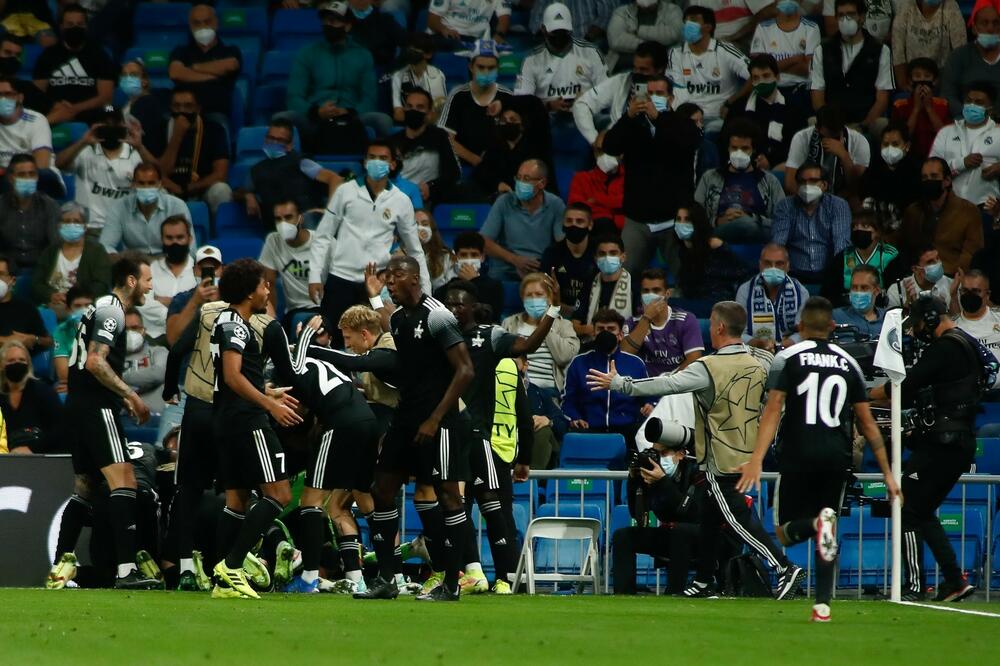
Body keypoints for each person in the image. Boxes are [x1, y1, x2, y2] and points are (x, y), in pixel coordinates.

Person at [588, 301, 805, 598]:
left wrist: (621, 384)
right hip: (749, 454)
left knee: (736, 519)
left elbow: (665, 384)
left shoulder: (708, 367)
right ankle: (704, 579)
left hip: (719, 457)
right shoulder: (763, 361)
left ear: (718, 328)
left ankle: (783, 567)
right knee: (710, 522)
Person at [739, 295, 898, 622]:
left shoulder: (787, 357)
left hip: (798, 452)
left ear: (800, 326)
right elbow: (868, 424)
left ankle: (815, 524)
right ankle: (823, 606)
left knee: (783, 532)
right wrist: (887, 474)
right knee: (830, 526)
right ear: (831, 326)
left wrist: (756, 458)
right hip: (836, 456)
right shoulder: (849, 363)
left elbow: (771, 410)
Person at [353, 255, 474, 601]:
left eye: (396, 276)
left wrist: (435, 419)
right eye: (388, 277)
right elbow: (390, 320)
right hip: (407, 417)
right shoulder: (403, 317)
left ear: (415, 278)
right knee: (382, 489)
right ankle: (388, 581)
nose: (391, 281)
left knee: (449, 494)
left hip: (442, 420)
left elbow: (465, 370)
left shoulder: (438, 315)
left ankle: (451, 583)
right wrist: (375, 297)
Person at [46, 255, 160, 591]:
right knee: (124, 480)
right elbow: (96, 361)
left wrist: (121, 395)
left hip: (80, 407)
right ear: (130, 281)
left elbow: (88, 362)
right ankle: (126, 571)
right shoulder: (112, 310)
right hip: (96, 408)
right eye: (148, 279)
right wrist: (131, 395)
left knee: (84, 487)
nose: (151, 286)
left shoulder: (101, 308)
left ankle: (60, 567)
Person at [869, 295, 993, 602]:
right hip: (958, 439)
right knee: (921, 510)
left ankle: (911, 587)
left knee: (905, 506)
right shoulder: (966, 343)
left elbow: (904, 387)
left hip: (943, 440)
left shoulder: (945, 348)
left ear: (932, 318)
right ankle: (954, 580)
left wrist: (865, 394)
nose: (920, 330)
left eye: (922, 323)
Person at [160, 275, 274, 591]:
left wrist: (171, 388)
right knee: (239, 494)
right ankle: (227, 565)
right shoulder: (261, 322)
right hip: (234, 415)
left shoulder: (209, 312)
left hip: (198, 409)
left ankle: (185, 567)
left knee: (188, 490)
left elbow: (177, 349)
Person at [442, 280, 554, 593]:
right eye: (448, 303)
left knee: (487, 508)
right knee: (463, 507)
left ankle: (500, 577)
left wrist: (554, 310)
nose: (453, 309)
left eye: (459, 303)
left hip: (484, 441)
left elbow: (525, 416)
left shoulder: (490, 341)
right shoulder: (439, 336)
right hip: (457, 437)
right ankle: (482, 575)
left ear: (473, 307)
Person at [208, 258, 301, 599]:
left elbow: (234, 378)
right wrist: (269, 405)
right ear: (249, 291)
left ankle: (221, 579)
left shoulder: (228, 321)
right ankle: (231, 567)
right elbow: (232, 376)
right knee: (279, 494)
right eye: (264, 286)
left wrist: (267, 391)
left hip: (227, 419)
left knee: (237, 499)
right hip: (247, 421)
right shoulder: (236, 325)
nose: (267, 292)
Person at [268, 314, 381, 594]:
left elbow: (290, 371)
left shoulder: (291, 367)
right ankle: (375, 576)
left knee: (311, 502)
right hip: (368, 421)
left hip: (341, 424)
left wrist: (305, 333)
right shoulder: (324, 363)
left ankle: (308, 578)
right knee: (355, 502)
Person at [308, 139, 429, 348]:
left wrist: (425, 290)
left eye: (383, 158)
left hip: (377, 282)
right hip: (340, 278)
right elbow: (323, 235)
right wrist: (315, 275)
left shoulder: (400, 200)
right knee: (334, 338)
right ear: (364, 162)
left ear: (392, 164)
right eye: (372, 157)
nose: (377, 162)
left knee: (377, 340)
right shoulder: (345, 191)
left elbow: (414, 250)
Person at [602, 73, 700, 276]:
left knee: (686, 275)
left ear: (671, 98)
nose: (654, 97)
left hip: (674, 219)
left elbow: (686, 143)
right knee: (623, 276)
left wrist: (659, 118)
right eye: (650, 93)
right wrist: (627, 117)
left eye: (660, 93)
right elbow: (609, 145)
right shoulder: (634, 125)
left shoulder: (683, 124)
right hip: (638, 219)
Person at [284, 2, 377, 155]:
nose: (328, 24)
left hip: (353, 116)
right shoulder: (307, 53)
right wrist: (315, 111)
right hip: (314, 116)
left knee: (382, 121)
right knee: (283, 117)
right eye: (326, 20)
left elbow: (369, 98)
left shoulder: (363, 55)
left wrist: (350, 112)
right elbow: (294, 96)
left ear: (347, 26)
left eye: (334, 21)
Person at [612, 439, 701, 594]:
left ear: (680, 454)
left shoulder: (696, 472)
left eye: (664, 453)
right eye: (655, 453)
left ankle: (674, 593)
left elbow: (688, 511)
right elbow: (638, 516)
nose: (659, 459)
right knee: (623, 536)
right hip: (672, 536)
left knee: (679, 530)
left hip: (702, 537)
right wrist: (634, 481)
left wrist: (663, 481)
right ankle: (624, 595)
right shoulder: (653, 476)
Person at [57, 106, 154, 235]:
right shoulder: (85, 151)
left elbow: (158, 175)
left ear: (123, 125)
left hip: (124, 228)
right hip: (90, 228)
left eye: (114, 123)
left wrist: (140, 148)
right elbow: (59, 163)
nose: (110, 127)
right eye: (105, 123)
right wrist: (82, 142)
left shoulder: (135, 154)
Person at [563, 308, 650, 443]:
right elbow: (569, 400)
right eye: (600, 329)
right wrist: (575, 417)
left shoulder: (635, 363)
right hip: (589, 428)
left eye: (611, 329)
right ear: (593, 333)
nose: (605, 333)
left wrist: (649, 405)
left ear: (620, 334)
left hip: (627, 429)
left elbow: (648, 397)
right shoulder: (579, 362)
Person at [694, 118, 785, 243]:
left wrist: (752, 218)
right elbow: (695, 215)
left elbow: (783, 220)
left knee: (746, 224)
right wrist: (717, 221)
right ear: (728, 149)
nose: (739, 153)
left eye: (745, 148)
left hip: (758, 235)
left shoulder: (770, 181)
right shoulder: (710, 177)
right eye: (734, 148)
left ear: (753, 150)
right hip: (718, 236)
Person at [809, 0, 893, 135]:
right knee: (812, 124)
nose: (845, 19)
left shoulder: (881, 50)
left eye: (851, 14)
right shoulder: (822, 50)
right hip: (831, 122)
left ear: (862, 16)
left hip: (865, 122)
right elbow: (817, 97)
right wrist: (831, 125)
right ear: (836, 18)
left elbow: (882, 100)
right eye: (841, 15)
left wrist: (862, 126)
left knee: (883, 125)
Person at [243, 118, 340, 231]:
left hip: (306, 222)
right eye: (271, 138)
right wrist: (248, 195)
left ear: (290, 145)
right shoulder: (256, 170)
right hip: (276, 225)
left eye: (280, 140)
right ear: (265, 140)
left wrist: (329, 211)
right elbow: (238, 192)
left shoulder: (302, 162)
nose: (274, 143)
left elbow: (335, 179)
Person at [667, 6, 751, 133]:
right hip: (689, 118)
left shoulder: (725, 50)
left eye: (693, 20)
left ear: (708, 27)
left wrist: (731, 102)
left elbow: (755, 75)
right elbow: (678, 90)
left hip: (719, 117)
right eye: (685, 21)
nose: (687, 25)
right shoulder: (675, 54)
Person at [480, 158, 565, 281]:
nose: (520, 182)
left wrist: (544, 265)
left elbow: (562, 244)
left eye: (526, 179)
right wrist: (515, 260)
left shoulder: (555, 204)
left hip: (539, 272)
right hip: (505, 272)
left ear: (542, 183)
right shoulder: (504, 202)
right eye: (518, 177)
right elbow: (484, 241)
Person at [150, 87, 231, 214]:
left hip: (202, 189)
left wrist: (189, 188)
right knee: (154, 191)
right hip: (169, 188)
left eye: (188, 106)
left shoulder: (214, 130)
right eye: (176, 106)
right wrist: (177, 136)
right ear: (170, 108)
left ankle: (217, 232)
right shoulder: (159, 130)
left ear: (198, 108)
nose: (182, 111)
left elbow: (220, 174)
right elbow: (158, 173)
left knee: (221, 190)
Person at [572, 41, 668, 149]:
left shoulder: (676, 94)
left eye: (643, 70)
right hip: (616, 152)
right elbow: (582, 104)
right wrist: (594, 140)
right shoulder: (622, 80)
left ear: (660, 70)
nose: (637, 73)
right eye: (635, 68)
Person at [32, 3, 114, 126]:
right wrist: (56, 107)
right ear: (61, 27)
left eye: (79, 24)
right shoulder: (48, 56)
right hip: (56, 111)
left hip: (90, 111)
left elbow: (106, 98)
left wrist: (75, 108)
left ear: (86, 26)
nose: (75, 28)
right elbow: (37, 93)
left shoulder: (100, 55)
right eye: (70, 24)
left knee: (111, 109)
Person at [898, 157, 984, 274]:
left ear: (947, 180)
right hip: (917, 276)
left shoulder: (968, 211)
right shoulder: (913, 212)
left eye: (934, 176)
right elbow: (904, 248)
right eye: (925, 178)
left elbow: (971, 254)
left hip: (953, 278)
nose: (928, 181)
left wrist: (951, 277)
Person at [501, 272, 580, 396]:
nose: (533, 299)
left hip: (549, 392)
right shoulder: (510, 323)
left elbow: (565, 357)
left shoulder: (563, 325)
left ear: (549, 298)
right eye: (529, 295)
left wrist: (546, 322)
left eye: (538, 295)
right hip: (516, 390)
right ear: (522, 299)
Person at [771, 162, 851, 283]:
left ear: (824, 185)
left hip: (829, 274)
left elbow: (841, 246)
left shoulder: (838, 206)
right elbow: (778, 244)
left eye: (813, 181)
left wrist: (835, 277)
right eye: (802, 182)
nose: (807, 186)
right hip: (794, 274)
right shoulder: (785, 206)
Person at [516, 3, 607, 108]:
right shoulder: (531, 60)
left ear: (571, 28)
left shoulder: (591, 52)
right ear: (543, 29)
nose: (559, 36)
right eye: (555, 32)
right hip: (547, 118)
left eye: (563, 31)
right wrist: (549, 105)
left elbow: (607, 90)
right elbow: (522, 101)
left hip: (586, 114)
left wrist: (588, 99)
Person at [438, 39, 513, 167]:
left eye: (491, 68)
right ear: (471, 67)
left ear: (498, 68)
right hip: (462, 165)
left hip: (497, 166)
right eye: (481, 67)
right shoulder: (458, 95)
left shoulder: (507, 96)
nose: (486, 72)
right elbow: (445, 138)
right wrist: (476, 160)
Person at [731, 54, 810, 170]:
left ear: (777, 77)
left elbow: (796, 145)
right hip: (742, 163)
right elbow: (727, 140)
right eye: (756, 78)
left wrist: (770, 161)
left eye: (766, 76)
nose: (761, 81)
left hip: (779, 166)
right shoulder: (739, 107)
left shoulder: (793, 108)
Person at [30, 201, 110, 315]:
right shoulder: (50, 251)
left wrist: (78, 298)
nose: (71, 224)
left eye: (77, 221)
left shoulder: (97, 251)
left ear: (85, 226)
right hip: (55, 304)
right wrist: (51, 295)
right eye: (67, 221)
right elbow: (36, 283)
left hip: (84, 304)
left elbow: (102, 284)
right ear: (59, 226)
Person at [930, 81, 1000, 206]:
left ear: (990, 110)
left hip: (987, 207)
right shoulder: (946, 133)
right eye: (969, 101)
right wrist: (962, 163)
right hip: (949, 206)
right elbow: (931, 172)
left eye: (979, 102)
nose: (972, 105)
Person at [623, 269, 704, 376]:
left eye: (656, 290)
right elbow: (624, 355)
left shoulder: (686, 320)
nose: (650, 295)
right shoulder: (633, 322)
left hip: (677, 385)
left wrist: (667, 381)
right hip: (644, 385)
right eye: (646, 291)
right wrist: (646, 318)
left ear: (667, 293)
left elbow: (694, 360)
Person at [167, 4, 241, 122]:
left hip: (214, 114)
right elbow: (175, 73)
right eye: (197, 23)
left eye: (207, 22)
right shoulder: (180, 51)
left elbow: (230, 65)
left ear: (216, 23)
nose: (202, 27)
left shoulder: (230, 50)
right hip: (182, 112)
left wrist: (193, 67)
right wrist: (213, 77)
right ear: (191, 26)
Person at [389, 88, 461, 207]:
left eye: (420, 107)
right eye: (409, 106)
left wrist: (431, 186)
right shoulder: (392, 141)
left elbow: (453, 173)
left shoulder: (440, 137)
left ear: (429, 113)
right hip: (396, 201)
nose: (414, 110)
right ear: (404, 109)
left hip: (428, 201)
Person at [100, 162, 193, 255]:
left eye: (151, 183)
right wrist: (118, 258)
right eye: (141, 183)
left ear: (160, 184)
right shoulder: (119, 207)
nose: (146, 187)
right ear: (133, 185)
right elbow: (105, 246)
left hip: (168, 261)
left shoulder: (177, 206)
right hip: (134, 262)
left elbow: (190, 248)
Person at [472, 97, 553, 199]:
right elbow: (481, 172)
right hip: (506, 201)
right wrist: (498, 184)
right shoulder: (496, 148)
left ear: (522, 125)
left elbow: (535, 103)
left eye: (512, 119)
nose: (507, 123)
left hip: (537, 199)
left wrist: (502, 103)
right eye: (503, 120)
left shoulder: (537, 143)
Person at [784, 105, 870, 197]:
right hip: (807, 199)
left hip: (842, 199)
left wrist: (844, 156)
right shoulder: (802, 138)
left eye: (835, 137)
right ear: (817, 127)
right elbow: (790, 184)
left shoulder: (860, 141)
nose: (830, 142)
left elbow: (854, 188)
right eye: (826, 137)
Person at [820, 209, 900, 308]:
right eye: (855, 227)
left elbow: (895, 292)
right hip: (846, 310)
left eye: (865, 226)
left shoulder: (890, 256)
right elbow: (829, 293)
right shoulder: (843, 257)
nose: (858, 230)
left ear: (878, 232)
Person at [674, 202, 752, 301]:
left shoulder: (716, 247)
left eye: (687, 219)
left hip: (717, 303)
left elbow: (743, 273)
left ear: (697, 222)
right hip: (693, 303)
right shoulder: (682, 250)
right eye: (678, 219)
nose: (682, 224)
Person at [735, 243, 809, 347]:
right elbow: (739, 332)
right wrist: (757, 343)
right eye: (767, 263)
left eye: (779, 264)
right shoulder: (745, 291)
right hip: (755, 351)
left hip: (791, 350)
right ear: (760, 265)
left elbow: (804, 330)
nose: (773, 268)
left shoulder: (801, 292)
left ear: (788, 266)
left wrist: (785, 344)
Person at [258, 199, 317, 330]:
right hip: (294, 311)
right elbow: (268, 283)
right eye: (278, 219)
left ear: (300, 218)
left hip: (325, 309)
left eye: (288, 217)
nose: (283, 223)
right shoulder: (274, 241)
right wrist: (271, 321)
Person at [0, 78, 62, 199]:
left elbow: (41, 164)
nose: (2, 99)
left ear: (20, 97)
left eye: (8, 94)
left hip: (41, 178)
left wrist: (10, 174)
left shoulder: (37, 120)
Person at [748, 1, 820, 105]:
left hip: (800, 89)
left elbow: (808, 69)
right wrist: (794, 60)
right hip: (769, 90)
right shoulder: (763, 28)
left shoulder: (811, 28)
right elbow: (757, 68)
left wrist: (771, 68)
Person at [140, 215, 197, 342]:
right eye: (169, 238)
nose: (174, 242)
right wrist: (182, 312)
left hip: (190, 339)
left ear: (190, 239)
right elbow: (143, 303)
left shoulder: (198, 271)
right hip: (155, 338)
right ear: (162, 239)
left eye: (180, 237)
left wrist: (167, 302)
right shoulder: (150, 269)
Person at [0, 340, 62, 453]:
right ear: (2, 366)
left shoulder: (43, 392)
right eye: (11, 360)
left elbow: (60, 430)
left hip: (42, 458)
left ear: (28, 364)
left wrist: (31, 449)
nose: (17, 363)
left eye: (22, 360)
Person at [859, 122, 922, 233]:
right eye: (885, 144)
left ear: (907, 146)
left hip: (905, 231)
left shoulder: (916, 170)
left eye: (895, 144)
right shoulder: (874, 168)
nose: (889, 148)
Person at [940, 2, 1000, 118]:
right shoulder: (958, 56)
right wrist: (970, 117)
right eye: (984, 23)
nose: (990, 28)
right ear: (974, 28)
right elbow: (948, 95)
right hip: (966, 124)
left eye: (996, 23)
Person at [0, 153, 59, 269]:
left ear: (37, 177)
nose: (28, 178)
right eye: (22, 175)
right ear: (11, 178)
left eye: (31, 174)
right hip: (6, 269)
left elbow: (55, 245)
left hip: (41, 269)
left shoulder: (49, 206)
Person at [891, 0, 966, 90]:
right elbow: (898, 51)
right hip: (912, 78)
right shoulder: (907, 6)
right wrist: (904, 85)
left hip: (943, 79)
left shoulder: (950, 5)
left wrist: (950, 86)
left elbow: (960, 52)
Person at [540, 203, 597, 316]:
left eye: (579, 221)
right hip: (558, 314)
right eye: (569, 221)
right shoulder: (552, 253)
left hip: (592, 315)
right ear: (563, 224)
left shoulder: (599, 252)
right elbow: (544, 292)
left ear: (590, 225)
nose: (573, 225)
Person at [890, 58, 951, 161]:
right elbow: (900, 139)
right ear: (910, 81)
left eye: (927, 76)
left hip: (937, 157)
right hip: (908, 158)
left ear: (935, 81)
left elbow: (946, 137)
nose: (922, 80)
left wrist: (929, 109)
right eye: (917, 76)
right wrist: (916, 109)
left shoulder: (943, 105)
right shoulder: (899, 106)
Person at [573, 235, 634, 335]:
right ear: (596, 258)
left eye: (613, 253)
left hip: (624, 343)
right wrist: (596, 330)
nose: (607, 257)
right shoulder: (589, 284)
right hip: (592, 343)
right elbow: (575, 326)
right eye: (602, 254)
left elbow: (641, 324)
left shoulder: (634, 285)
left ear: (623, 257)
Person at [437, 231, 504, 322]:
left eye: (474, 255)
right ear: (456, 257)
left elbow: (492, 317)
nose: (469, 260)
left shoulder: (495, 287)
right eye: (464, 255)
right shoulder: (443, 290)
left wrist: (474, 280)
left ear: (482, 257)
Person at [164, 245, 223, 346]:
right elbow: (172, 340)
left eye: (214, 268)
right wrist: (195, 301)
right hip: (190, 358)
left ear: (222, 270)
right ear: (194, 271)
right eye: (203, 269)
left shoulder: (232, 297)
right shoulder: (181, 300)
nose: (209, 273)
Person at [606, 0, 682, 73]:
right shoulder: (621, 12)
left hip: (659, 69)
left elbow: (673, 33)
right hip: (623, 66)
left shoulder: (673, 10)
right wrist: (654, 46)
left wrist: (637, 31)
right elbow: (616, 40)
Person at [390, 34, 448, 122]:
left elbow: (436, 112)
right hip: (407, 125)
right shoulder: (398, 76)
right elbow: (398, 114)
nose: (411, 53)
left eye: (415, 51)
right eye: (409, 50)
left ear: (428, 54)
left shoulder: (437, 75)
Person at [0, 254, 51, 352]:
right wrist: (8, 341)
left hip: (21, 362)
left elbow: (49, 341)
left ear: (13, 280)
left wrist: (34, 339)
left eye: (1, 274)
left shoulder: (26, 308)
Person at [122, 308, 168, 413]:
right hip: (122, 417)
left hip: (155, 416)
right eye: (125, 329)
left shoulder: (158, 351)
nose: (130, 333)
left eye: (134, 328)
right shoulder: (109, 356)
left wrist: (117, 378)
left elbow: (159, 374)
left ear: (143, 330)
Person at [567, 149, 625, 230]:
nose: (605, 156)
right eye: (599, 151)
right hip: (596, 228)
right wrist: (611, 210)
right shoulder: (581, 178)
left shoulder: (632, 178)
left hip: (626, 230)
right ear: (594, 153)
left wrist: (598, 200)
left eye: (609, 150)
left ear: (621, 154)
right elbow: (577, 206)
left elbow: (631, 203)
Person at [885, 246, 953, 309]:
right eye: (930, 262)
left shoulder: (950, 284)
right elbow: (894, 321)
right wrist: (909, 307)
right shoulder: (895, 292)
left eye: (938, 258)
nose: (938, 263)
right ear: (915, 269)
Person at [52, 286, 92, 392]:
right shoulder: (61, 331)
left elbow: (107, 370)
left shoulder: (103, 329)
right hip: (79, 384)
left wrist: (76, 385)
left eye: (88, 305)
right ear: (68, 309)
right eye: (78, 306)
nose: (84, 310)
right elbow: (64, 375)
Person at [343, 0, 406, 68]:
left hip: (381, 69)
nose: (360, 1)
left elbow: (405, 42)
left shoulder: (385, 19)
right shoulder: (341, 20)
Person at [428, 0, 511, 50]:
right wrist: (444, 29)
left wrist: (499, 35)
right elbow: (432, 20)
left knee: (504, 50)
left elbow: (504, 18)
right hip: (447, 36)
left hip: (477, 39)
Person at [528, 0, 620, 45]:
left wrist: (587, 40)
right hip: (552, 42)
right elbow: (536, 20)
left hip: (586, 42)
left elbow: (607, 16)